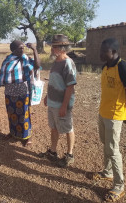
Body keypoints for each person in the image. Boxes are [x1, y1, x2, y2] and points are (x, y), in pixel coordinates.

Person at [90, 38, 126, 202]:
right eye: (100, 51)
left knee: (113, 149)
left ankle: (119, 186)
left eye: (104, 51)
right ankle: (107, 172)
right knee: (106, 143)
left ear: (114, 52)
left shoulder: (123, 68)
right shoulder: (105, 67)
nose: (101, 54)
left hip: (116, 115)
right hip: (103, 112)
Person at [38, 34, 76, 168]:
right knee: (54, 128)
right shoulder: (56, 62)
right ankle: (53, 152)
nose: (52, 48)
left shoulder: (67, 63)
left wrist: (64, 106)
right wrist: (48, 96)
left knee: (67, 129)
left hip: (62, 104)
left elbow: (70, 86)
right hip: (53, 103)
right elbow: (54, 82)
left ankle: (69, 155)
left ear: (63, 48)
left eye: (55, 46)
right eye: (52, 46)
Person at [0, 40, 40, 146]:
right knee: (12, 113)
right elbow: (2, 76)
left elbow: (37, 66)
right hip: (9, 91)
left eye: (23, 47)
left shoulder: (25, 59)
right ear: (13, 50)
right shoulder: (7, 60)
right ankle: (13, 133)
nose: (22, 49)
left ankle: (27, 136)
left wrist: (35, 50)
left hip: (23, 91)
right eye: (20, 48)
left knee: (24, 114)